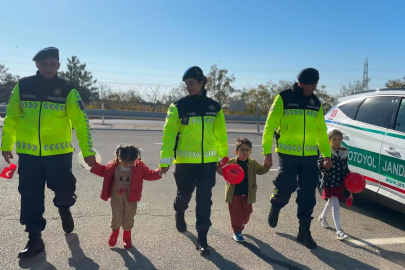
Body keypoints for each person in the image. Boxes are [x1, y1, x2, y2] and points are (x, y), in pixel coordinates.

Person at [1, 47, 96, 258]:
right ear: (37, 64)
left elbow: (81, 123)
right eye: (44, 63)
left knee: (64, 189)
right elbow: (11, 118)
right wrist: (6, 144)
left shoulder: (68, 90)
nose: (48, 68)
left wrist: (88, 151)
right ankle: (34, 238)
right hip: (29, 155)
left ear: (59, 66)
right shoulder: (23, 86)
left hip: (59, 155)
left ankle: (64, 206)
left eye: (53, 64)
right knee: (30, 195)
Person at [159, 66, 228, 256]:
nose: (188, 87)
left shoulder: (214, 107)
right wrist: (165, 160)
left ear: (201, 83)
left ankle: (202, 238)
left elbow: (221, 136)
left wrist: (223, 162)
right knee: (184, 195)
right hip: (185, 163)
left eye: (191, 83)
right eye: (186, 84)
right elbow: (169, 134)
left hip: (208, 163)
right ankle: (179, 212)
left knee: (205, 199)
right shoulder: (178, 106)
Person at [262, 68, 332, 249]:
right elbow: (270, 126)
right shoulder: (284, 98)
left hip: (310, 156)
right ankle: (276, 205)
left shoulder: (315, 102)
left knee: (308, 193)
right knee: (286, 187)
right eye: (311, 84)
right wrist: (266, 151)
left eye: (316, 84)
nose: (314, 88)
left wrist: (326, 155)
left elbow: (321, 133)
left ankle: (304, 232)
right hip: (287, 153)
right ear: (301, 83)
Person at [90, 144, 162, 249]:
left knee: (129, 217)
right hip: (117, 198)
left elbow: (149, 174)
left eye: (131, 163)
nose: (128, 165)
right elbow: (103, 171)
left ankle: (127, 236)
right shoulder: (113, 165)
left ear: (136, 159)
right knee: (116, 217)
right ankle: (115, 233)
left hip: (131, 198)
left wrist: (159, 172)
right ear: (119, 158)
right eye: (125, 162)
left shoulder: (139, 166)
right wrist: (93, 165)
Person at [218, 137, 270, 242]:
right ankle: (237, 231)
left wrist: (267, 166)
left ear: (250, 151)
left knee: (248, 212)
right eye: (242, 150)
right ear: (236, 151)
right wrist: (218, 166)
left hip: (247, 194)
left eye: (247, 150)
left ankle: (241, 223)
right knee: (235, 213)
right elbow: (223, 173)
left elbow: (261, 171)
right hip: (234, 194)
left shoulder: (252, 163)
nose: (245, 152)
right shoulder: (232, 162)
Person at [317, 129, 350, 240]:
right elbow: (319, 164)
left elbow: (345, 168)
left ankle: (322, 217)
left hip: (339, 182)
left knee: (331, 202)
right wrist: (324, 164)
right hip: (329, 182)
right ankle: (339, 231)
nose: (337, 141)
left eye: (339, 139)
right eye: (334, 139)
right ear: (329, 140)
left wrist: (349, 179)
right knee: (336, 204)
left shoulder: (343, 152)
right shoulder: (326, 151)